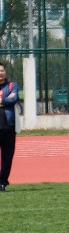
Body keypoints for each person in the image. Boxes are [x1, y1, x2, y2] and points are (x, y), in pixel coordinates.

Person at [0, 62, 17, 192]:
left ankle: (2, 182)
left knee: (7, 156)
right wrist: (6, 99)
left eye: (2, 71)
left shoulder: (12, 85)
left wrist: (2, 100)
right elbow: (9, 99)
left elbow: (13, 99)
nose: (0, 73)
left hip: (8, 127)